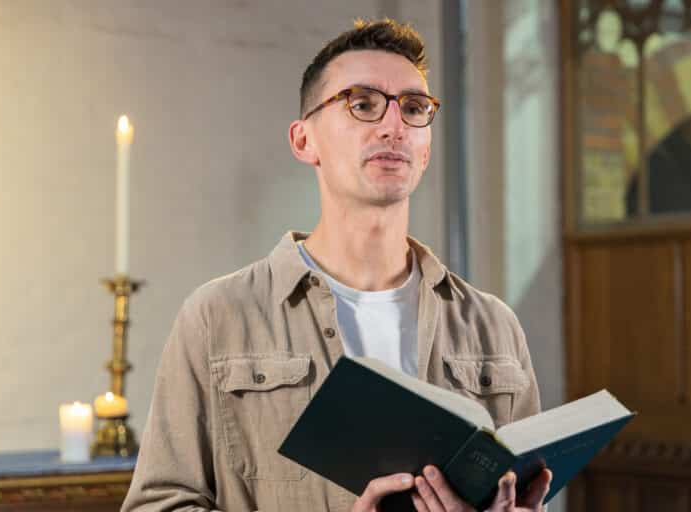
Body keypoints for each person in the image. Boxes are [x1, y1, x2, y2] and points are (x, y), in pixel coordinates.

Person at [122, 18, 552, 512]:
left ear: (426, 147)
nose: (394, 125)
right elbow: (158, 505)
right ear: (304, 141)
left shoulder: (494, 327)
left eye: (413, 108)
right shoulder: (218, 317)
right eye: (363, 104)